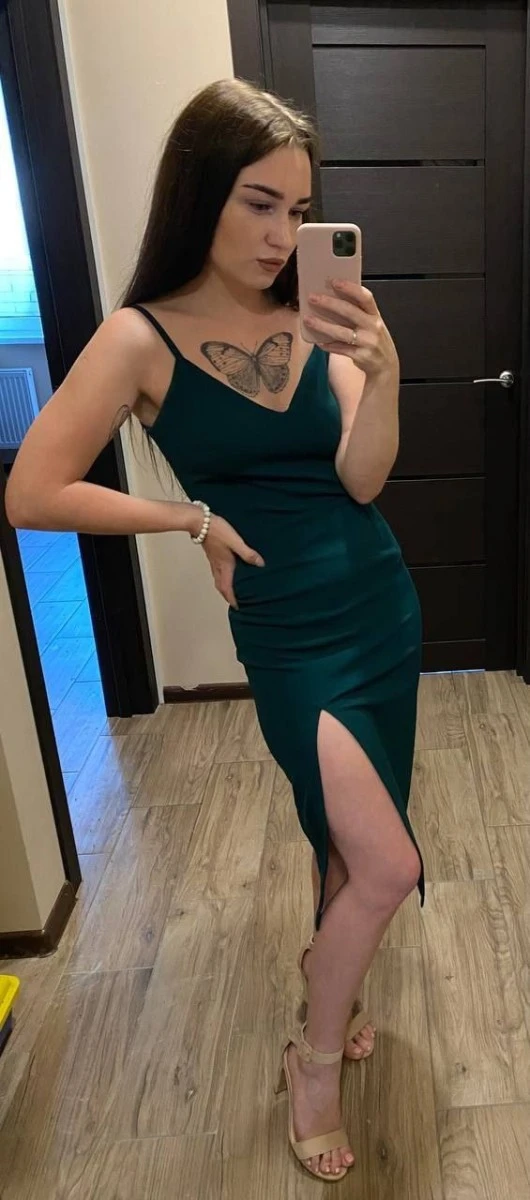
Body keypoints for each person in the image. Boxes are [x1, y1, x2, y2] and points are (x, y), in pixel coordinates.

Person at [5, 77, 425, 1182]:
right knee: (389, 864)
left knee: (349, 842)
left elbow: (363, 478)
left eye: (299, 211)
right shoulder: (138, 338)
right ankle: (313, 1057)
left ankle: (332, 982)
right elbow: (33, 491)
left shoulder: (320, 316)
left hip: (379, 604)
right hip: (287, 632)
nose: (283, 235)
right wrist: (189, 517)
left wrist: (381, 374)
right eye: (258, 203)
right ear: (199, 191)